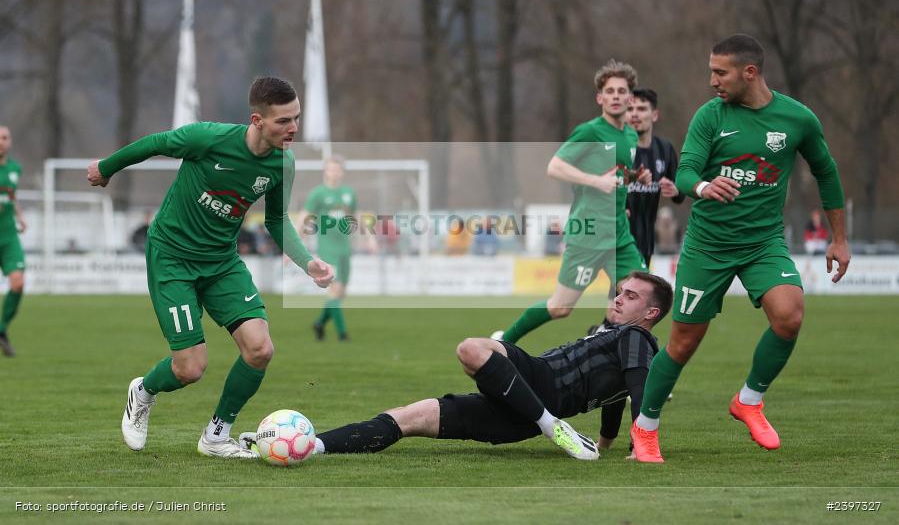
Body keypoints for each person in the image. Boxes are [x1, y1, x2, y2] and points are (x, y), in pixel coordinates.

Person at [630, 34, 850, 463]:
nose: (712, 80)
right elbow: (688, 168)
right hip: (707, 246)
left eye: (720, 72)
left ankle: (749, 400)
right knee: (683, 342)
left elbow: (826, 171)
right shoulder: (711, 117)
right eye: (711, 71)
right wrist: (703, 185)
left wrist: (838, 238)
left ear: (750, 73)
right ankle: (645, 428)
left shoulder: (797, 119)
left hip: (763, 243)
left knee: (789, 315)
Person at [87, 76, 334, 459]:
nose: (294, 129)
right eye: (284, 121)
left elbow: (276, 219)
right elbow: (155, 143)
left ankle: (217, 436)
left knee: (260, 349)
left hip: (221, 261)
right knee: (190, 368)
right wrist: (107, 167)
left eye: (296, 118)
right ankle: (144, 391)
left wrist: (308, 262)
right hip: (172, 258)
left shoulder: (283, 162)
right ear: (257, 120)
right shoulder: (208, 138)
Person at [242, 272, 673, 460]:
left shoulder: (636, 338)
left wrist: (642, 447)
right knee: (412, 417)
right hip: (525, 398)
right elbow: (618, 391)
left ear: (651, 314)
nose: (618, 297)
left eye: (631, 296)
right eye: (619, 291)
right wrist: (607, 440)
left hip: (539, 388)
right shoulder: (614, 333)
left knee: (472, 348)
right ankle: (310, 445)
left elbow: (638, 390)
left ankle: (549, 424)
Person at [492, 60, 650, 344]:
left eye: (621, 91)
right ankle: (504, 340)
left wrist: (637, 177)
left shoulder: (629, 134)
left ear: (630, 97)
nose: (615, 96)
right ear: (599, 98)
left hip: (619, 235)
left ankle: (628, 370)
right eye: (609, 91)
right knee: (560, 307)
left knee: (642, 299)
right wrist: (595, 181)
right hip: (587, 235)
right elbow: (555, 167)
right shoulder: (589, 131)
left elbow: (616, 174)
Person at [299, 155, 363, 341]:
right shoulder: (318, 194)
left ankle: (319, 323)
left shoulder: (348, 193)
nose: (334, 173)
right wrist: (295, 243)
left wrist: (368, 238)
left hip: (345, 248)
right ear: (325, 171)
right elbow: (305, 217)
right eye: (331, 169)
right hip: (327, 248)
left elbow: (355, 215)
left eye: (337, 169)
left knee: (341, 293)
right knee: (334, 290)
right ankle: (343, 335)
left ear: (341, 172)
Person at [625, 89, 685, 265]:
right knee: (628, 286)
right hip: (618, 236)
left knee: (631, 289)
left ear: (655, 115)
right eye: (630, 109)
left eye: (642, 109)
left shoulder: (665, 149)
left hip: (647, 239)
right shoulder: (614, 147)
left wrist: (675, 190)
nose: (635, 114)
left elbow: (680, 194)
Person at [0, 126, 26, 358]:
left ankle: (1, 329)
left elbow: (11, 196)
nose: (1, 141)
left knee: (18, 284)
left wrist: (20, 216)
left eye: (5, 137)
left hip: (8, 236)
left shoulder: (14, 169)